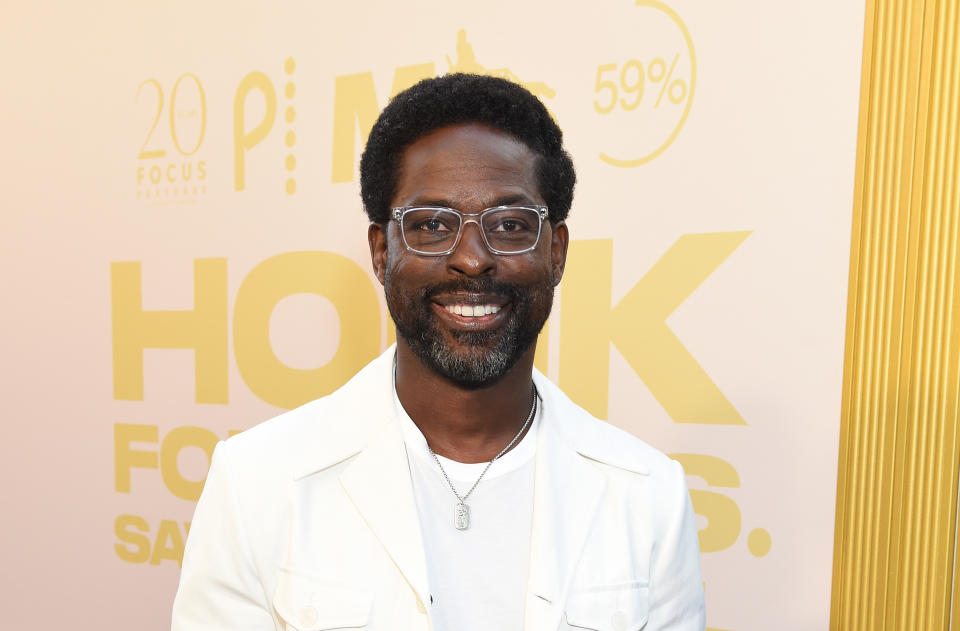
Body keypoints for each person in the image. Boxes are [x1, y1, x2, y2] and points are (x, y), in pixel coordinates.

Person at [171, 73, 705, 631]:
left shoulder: (648, 497)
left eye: (509, 224)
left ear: (557, 252)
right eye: (430, 225)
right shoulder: (258, 482)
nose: (472, 258)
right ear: (382, 252)